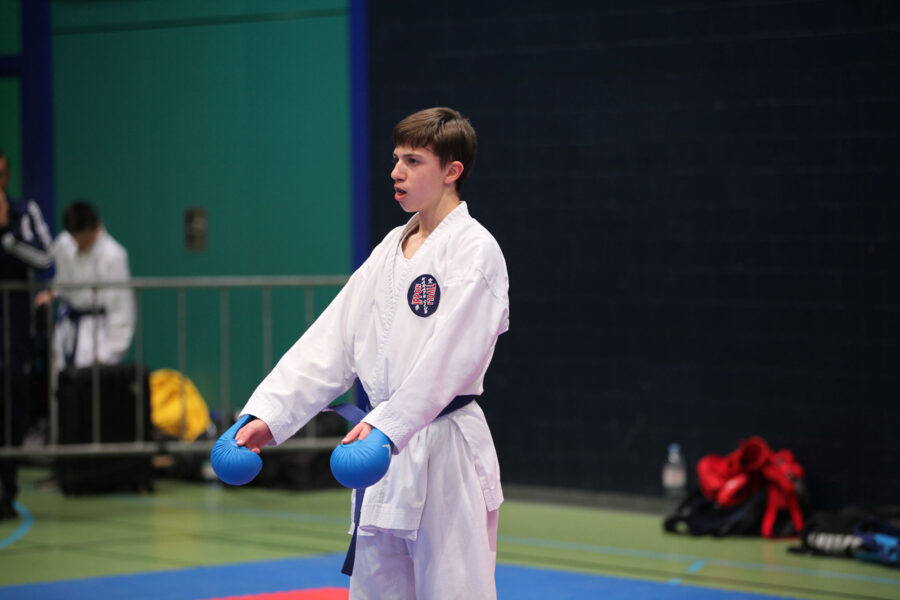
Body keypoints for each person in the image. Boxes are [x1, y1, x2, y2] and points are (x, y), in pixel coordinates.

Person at [236, 107, 509, 598]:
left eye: (413, 161)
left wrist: (389, 426)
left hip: (442, 451)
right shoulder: (389, 249)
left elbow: (451, 358)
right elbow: (331, 340)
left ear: (452, 171)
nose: (396, 172)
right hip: (380, 452)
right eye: (396, 159)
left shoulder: (475, 250)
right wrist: (269, 414)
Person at [0, 149, 54, 520]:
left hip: (13, 328)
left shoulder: (25, 213)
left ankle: (7, 489)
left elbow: (46, 259)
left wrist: (7, 234)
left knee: (12, 406)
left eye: (3, 174)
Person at [36, 201, 135, 371]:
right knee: (61, 381)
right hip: (67, 333)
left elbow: (122, 310)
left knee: (93, 385)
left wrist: (106, 354)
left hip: (98, 337)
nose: (79, 242)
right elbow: (62, 281)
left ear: (96, 227)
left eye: (83, 237)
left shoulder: (113, 256)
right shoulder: (64, 244)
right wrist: (52, 293)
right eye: (74, 237)